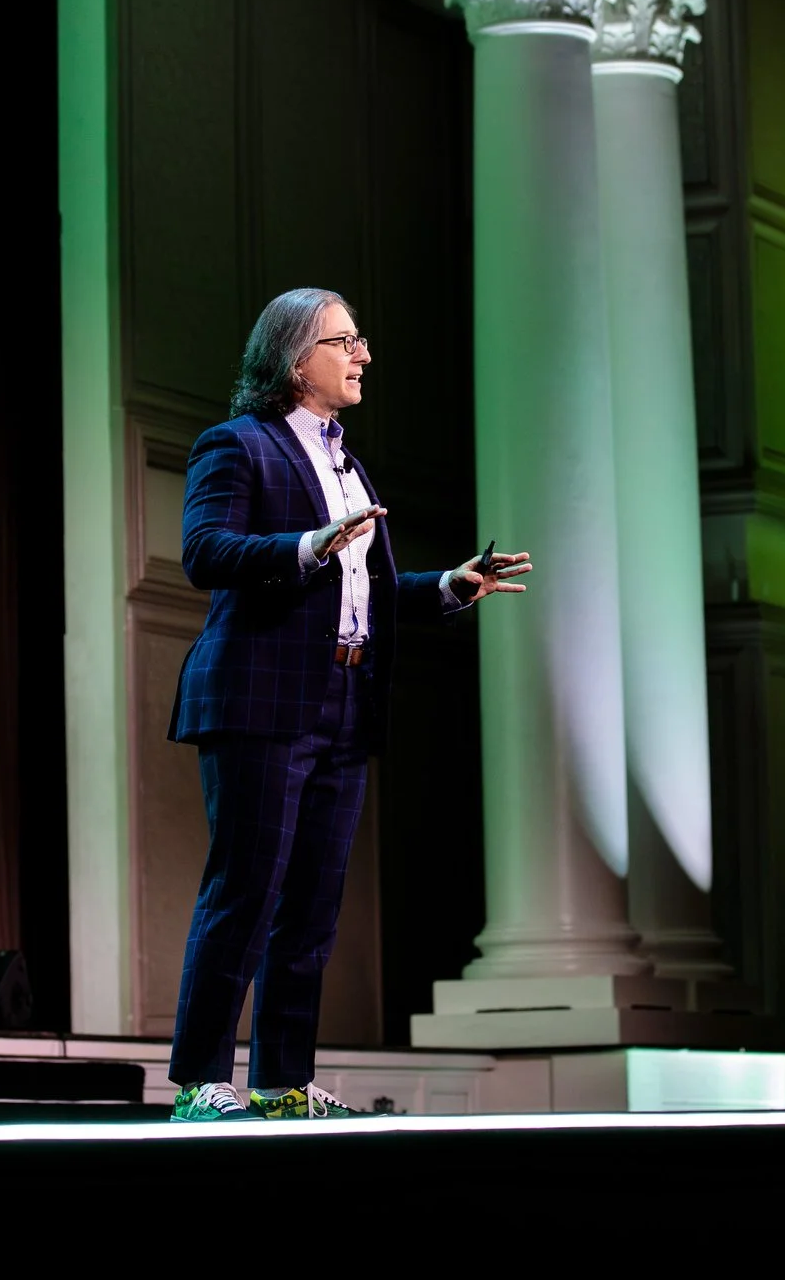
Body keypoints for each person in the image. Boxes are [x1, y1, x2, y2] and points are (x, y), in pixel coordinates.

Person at [167, 288, 531, 1121]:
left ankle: (283, 1082)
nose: (364, 354)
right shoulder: (239, 445)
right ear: (299, 361)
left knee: (313, 908)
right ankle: (198, 1084)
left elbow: (357, 584)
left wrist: (446, 584)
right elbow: (204, 551)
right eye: (347, 341)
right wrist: (307, 545)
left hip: (342, 696)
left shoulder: (348, 464)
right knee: (244, 894)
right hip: (260, 698)